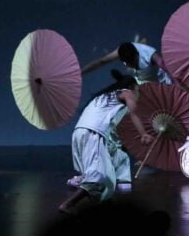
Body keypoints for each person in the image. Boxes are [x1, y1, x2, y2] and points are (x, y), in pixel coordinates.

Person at [59, 69, 155, 214]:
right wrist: (143, 133)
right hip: (93, 133)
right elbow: (134, 112)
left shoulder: (104, 97)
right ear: (132, 87)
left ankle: (106, 202)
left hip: (81, 133)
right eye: (138, 91)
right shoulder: (127, 93)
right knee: (99, 176)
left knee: (115, 168)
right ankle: (68, 204)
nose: (138, 95)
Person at [82, 41, 173, 85]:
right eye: (125, 63)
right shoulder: (121, 52)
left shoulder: (151, 55)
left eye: (130, 63)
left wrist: (178, 85)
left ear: (137, 55)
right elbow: (101, 61)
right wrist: (81, 72)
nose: (128, 66)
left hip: (162, 82)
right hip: (143, 81)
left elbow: (168, 69)